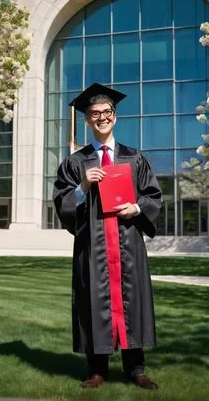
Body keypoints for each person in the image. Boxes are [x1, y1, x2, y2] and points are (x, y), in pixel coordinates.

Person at [53, 83, 162, 390]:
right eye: (94, 113)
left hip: (127, 241)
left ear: (115, 116)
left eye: (106, 112)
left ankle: (136, 368)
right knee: (94, 302)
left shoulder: (134, 157)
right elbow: (61, 202)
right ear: (87, 119)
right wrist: (83, 187)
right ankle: (97, 369)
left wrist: (137, 208)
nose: (101, 117)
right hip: (94, 245)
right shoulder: (76, 162)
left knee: (132, 300)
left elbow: (153, 197)